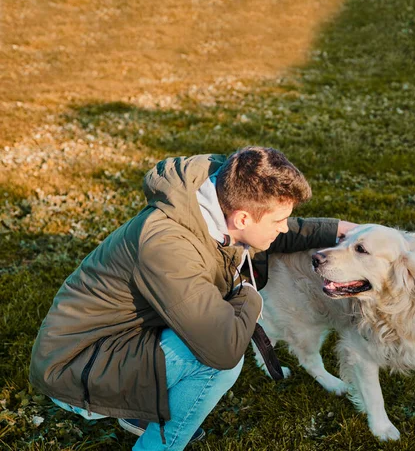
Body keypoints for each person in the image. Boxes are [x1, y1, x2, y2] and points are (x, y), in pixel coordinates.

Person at [29, 146, 356, 450]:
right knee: (217, 362)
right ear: (241, 218)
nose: (284, 229)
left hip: (122, 337)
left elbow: (264, 229)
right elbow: (221, 349)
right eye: (279, 221)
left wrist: (340, 229)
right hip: (77, 368)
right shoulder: (168, 246)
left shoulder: (219, 189)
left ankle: (145, 407)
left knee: (215, 336)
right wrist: (248, 295)